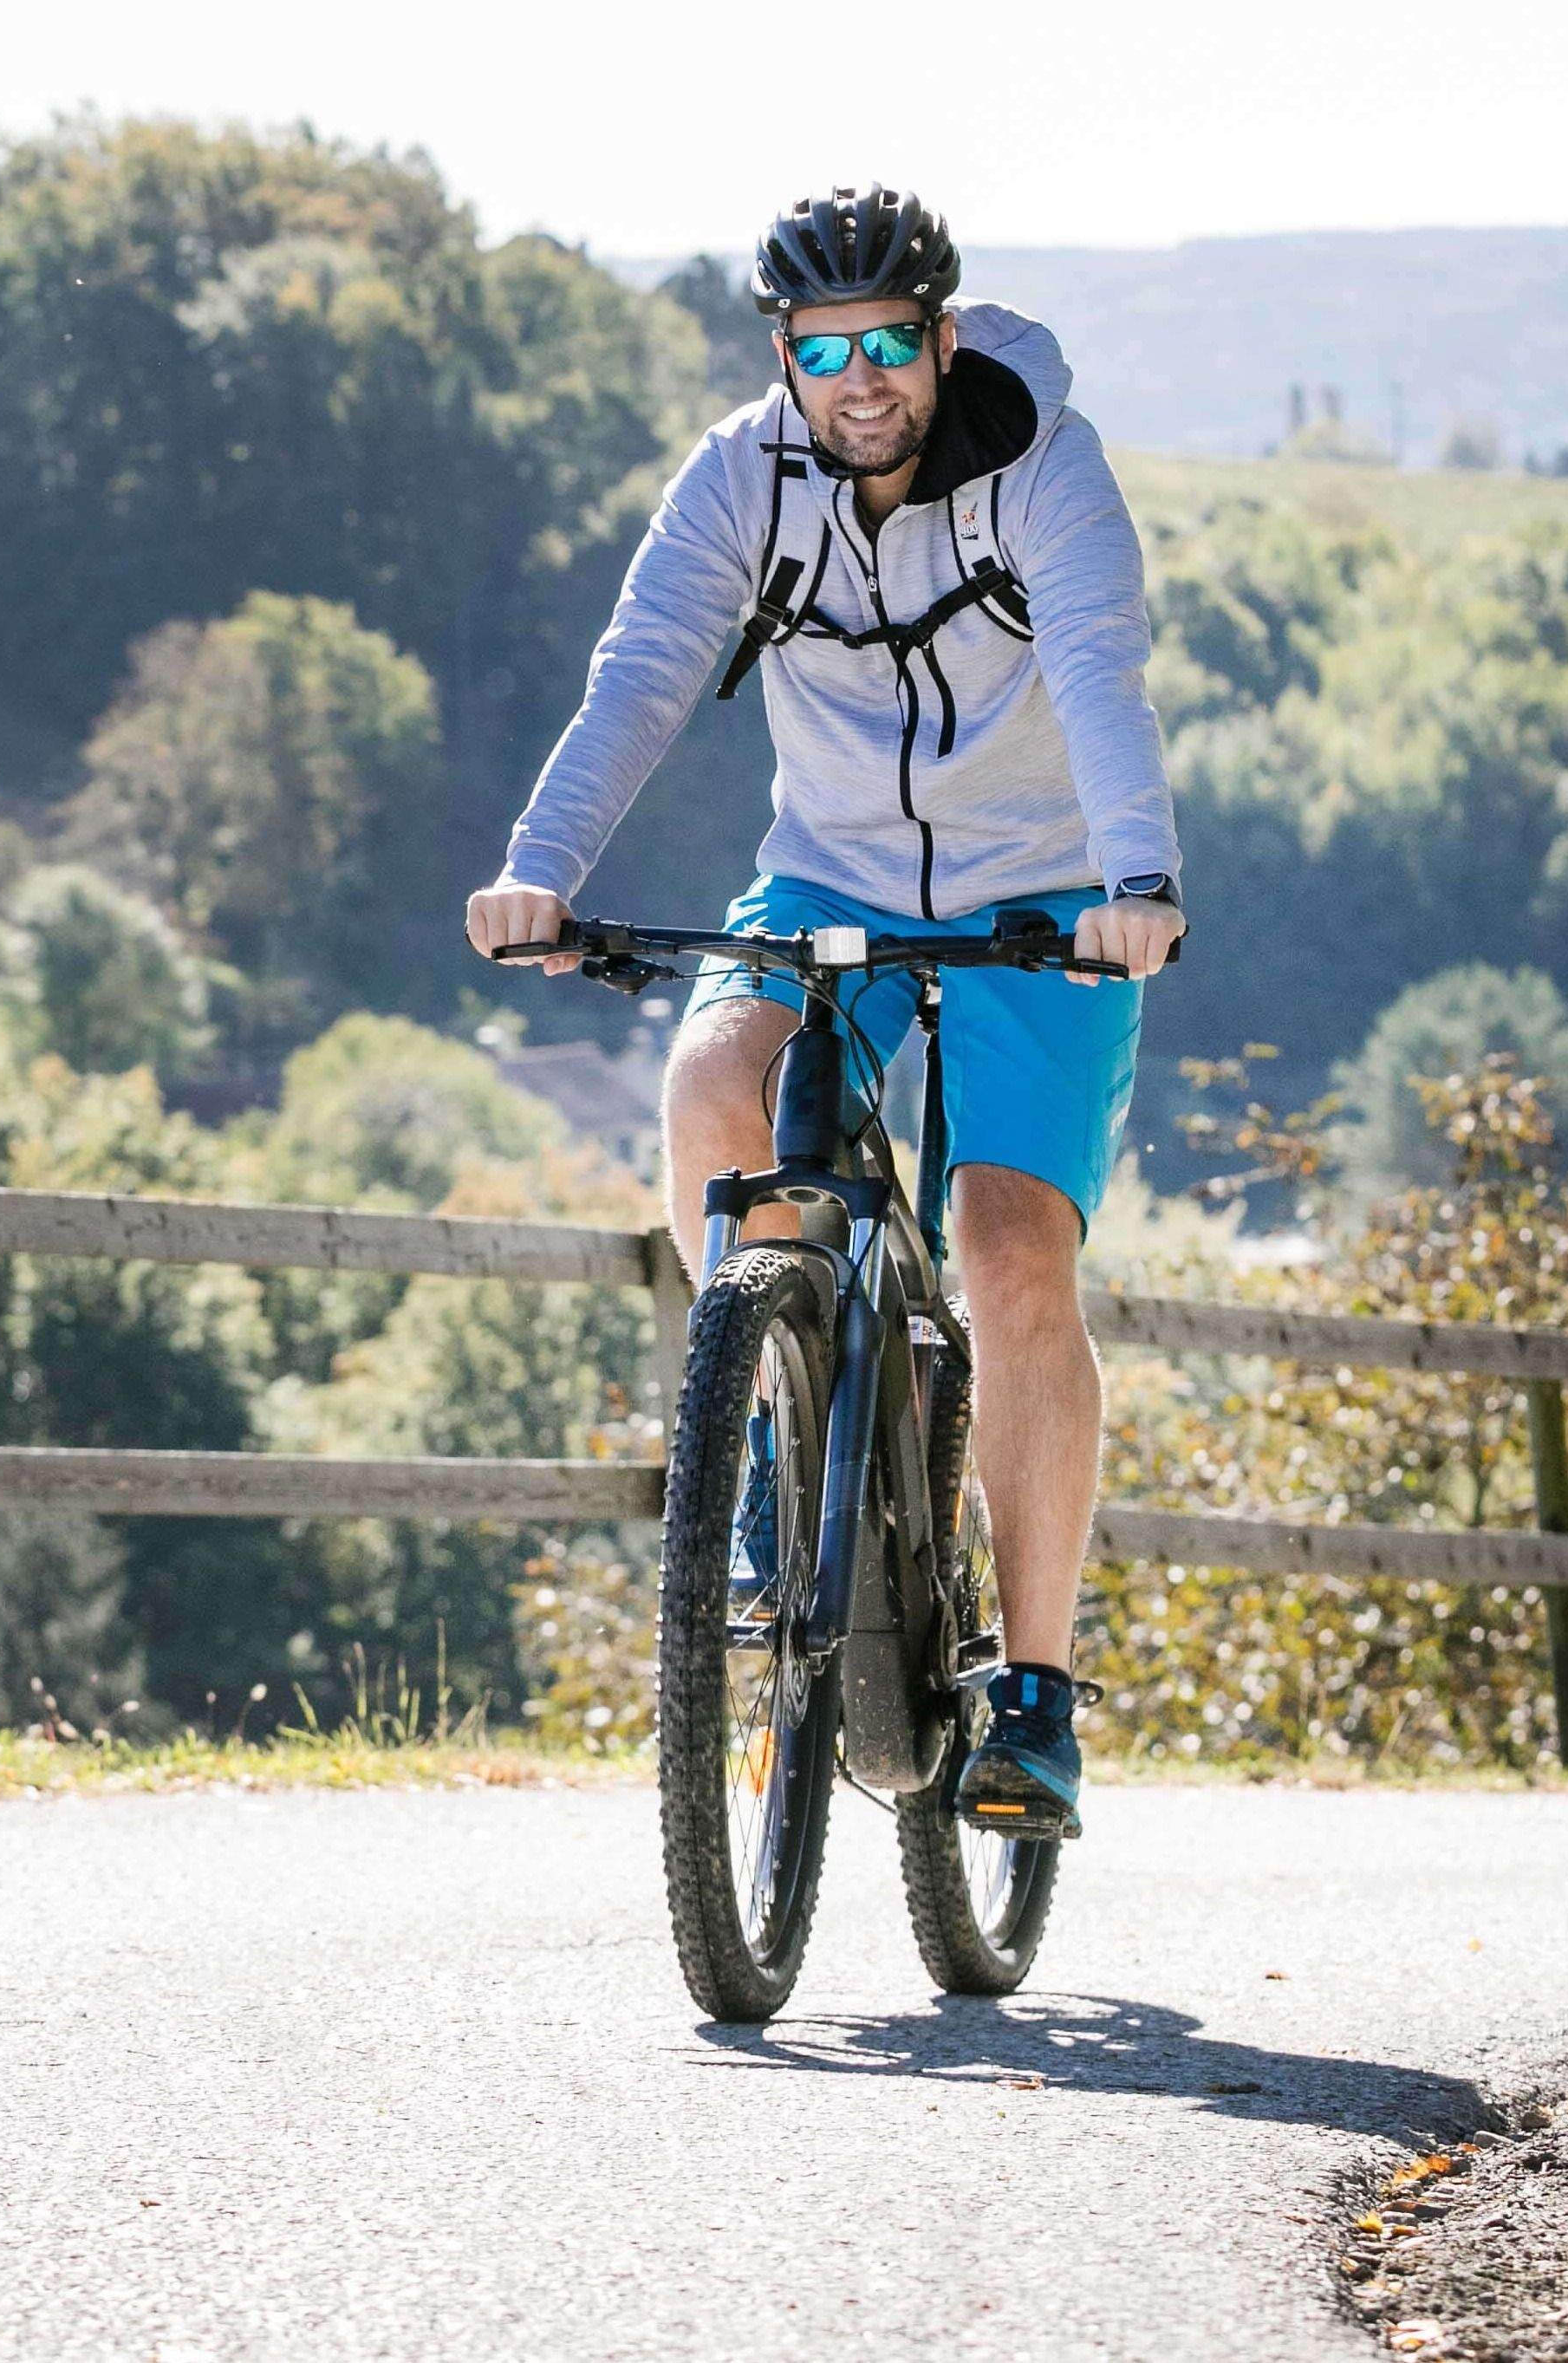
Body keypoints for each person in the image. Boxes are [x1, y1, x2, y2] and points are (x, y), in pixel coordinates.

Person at [464, 183, 1179, 1839]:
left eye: (887, 345)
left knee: (1009, 1250)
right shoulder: (739, 478)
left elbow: (1095, 667)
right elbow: (639, 675)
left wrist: (1134, 880)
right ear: (783, 357)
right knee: (713, 1084)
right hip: (825, 886)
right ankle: (765, 1425)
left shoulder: (1042, 467)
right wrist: (536, 870)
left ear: (938, 338)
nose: (859, 380)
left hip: (1042, 906)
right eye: (821, 351)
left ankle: (1038, 1695)